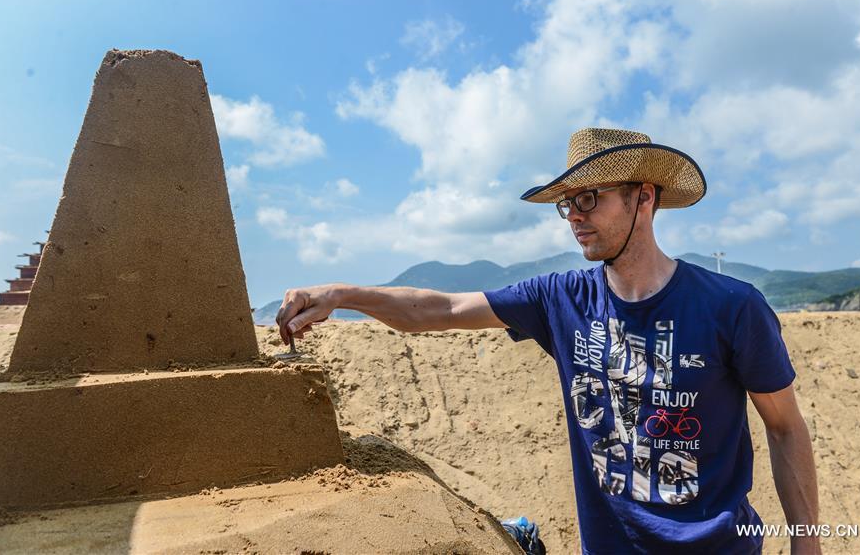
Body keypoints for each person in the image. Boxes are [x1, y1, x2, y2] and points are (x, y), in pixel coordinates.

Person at [275, 128, 821, 554]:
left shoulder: (732, 306)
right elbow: (436, 309)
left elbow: (784, 425)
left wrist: (808, 544)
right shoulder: (558, 298)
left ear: (644, 198)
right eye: (568, 205)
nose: (575, 218)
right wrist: (343, 293)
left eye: (590, 199)